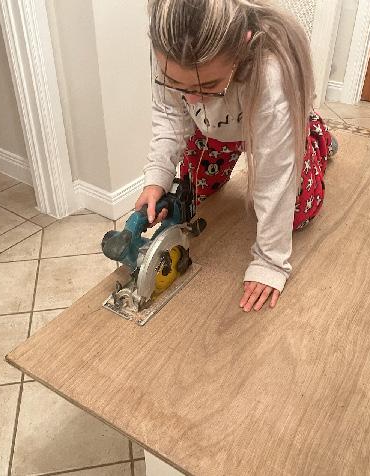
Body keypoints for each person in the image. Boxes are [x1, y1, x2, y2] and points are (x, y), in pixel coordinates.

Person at [136, 0, 333, 312]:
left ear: (243, 45)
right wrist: (157, 177)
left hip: (270, 123)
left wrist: (270, 262)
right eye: (177, 84)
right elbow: (170, 116)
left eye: (209, 85)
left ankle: (318, 135)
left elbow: (275, 175)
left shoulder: (272, 72)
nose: (191, 99)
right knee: (193, 199)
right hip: (214, 130)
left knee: (298, 215)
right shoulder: (168, 48)